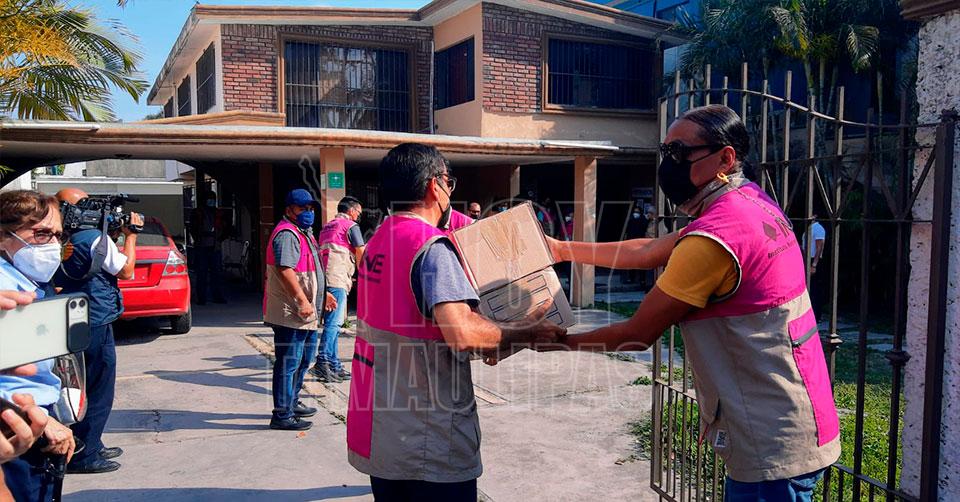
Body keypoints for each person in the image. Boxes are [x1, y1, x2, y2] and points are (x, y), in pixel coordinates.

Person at [546, 105, 840, 501]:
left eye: (680, 152)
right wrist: (561, 249)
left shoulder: (715, 239)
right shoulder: (750, 202)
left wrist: (552, 340)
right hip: (800, 413)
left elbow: (636, 333)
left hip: (770, 442)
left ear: (725, 158)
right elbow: (649, 250)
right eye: (666, 151)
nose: (669, 164)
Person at [345, 143, 566, 501]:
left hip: (380, 428)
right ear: (435, 186)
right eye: (449, 182)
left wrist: (495, 338)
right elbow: (462, 333)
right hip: (428, 438)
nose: (450, 191)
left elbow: (417, 323)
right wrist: (526, 331)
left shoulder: (378, 240)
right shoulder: (431, 248)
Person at [54, 188, 141, 474]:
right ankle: (86, 455)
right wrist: (131, 236)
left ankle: (89, 442)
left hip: (71, 317)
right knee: (99, 387)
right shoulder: (94, 239)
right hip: (96, 318)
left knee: (78, 385)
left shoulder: (62, 239)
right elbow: (126, 271)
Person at [0, 190, 77, 500]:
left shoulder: (25, 282)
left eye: (58, 235)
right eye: (41, 234)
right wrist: (44, 425)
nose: (53, 245)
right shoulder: (5, 290)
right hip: (15, 428)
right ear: (3, 237)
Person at [263, 189, 337, 431]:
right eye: (302, 208)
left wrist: (323, 294)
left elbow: (311, 270)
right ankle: (282, 414)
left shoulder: (303, 232)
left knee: (304, 360)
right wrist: (302, 301)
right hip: (291, 312)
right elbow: (285, 270)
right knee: (289, 363)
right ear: (289, 210)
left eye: (311, 208)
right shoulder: (287, 234)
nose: (308, 212)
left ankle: (292, 403)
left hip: (305, 311)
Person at [311, 196, 366, 383]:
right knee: (333, 324)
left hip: (324, 278)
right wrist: (365, 276)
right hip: (337, 277)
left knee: (331, 323)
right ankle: (322, 361)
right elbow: (360, 252)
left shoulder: (327, 226)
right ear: (351, 210)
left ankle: (334, 364)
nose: (359, 216)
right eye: (358, 212)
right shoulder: (351, 226)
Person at [189, 190, 227, 305]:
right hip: (202, 247)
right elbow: (192, 228)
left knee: (217, 274)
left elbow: (225, 227)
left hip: (215, 247)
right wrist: (198, 239)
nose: (211, 201)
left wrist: (220, 239)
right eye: (209, 199)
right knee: (202, 274)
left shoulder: (218, 213)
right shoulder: (197, 213)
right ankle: (202, 298)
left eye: (213, 199)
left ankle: (217, 297)